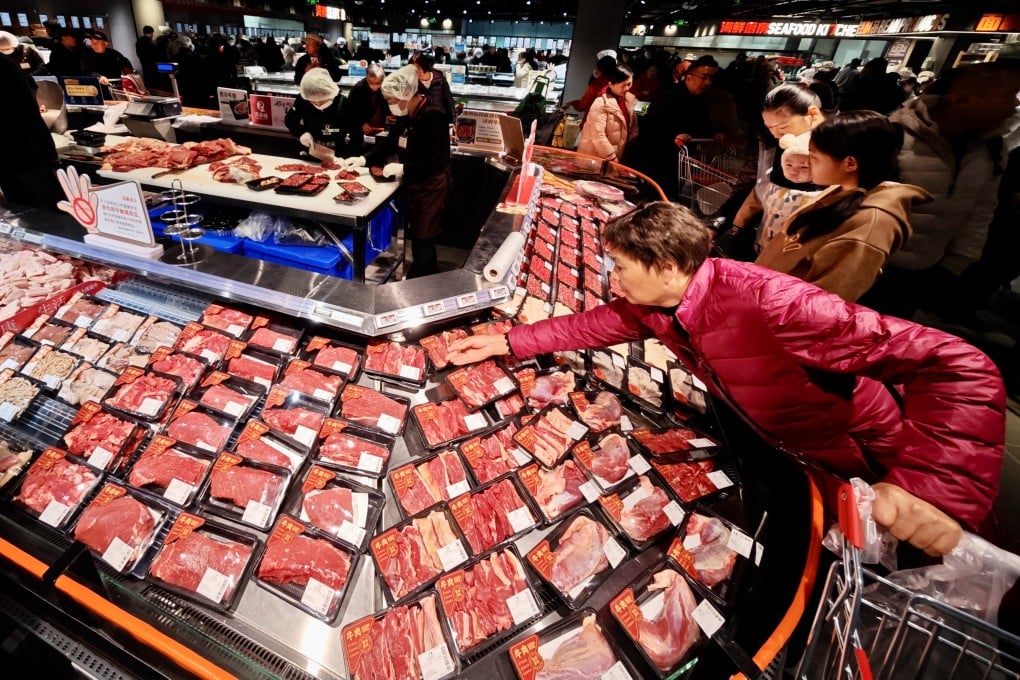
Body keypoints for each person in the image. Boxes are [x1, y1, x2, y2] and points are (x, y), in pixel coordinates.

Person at [447, 200, 1006, 556]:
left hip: (867, 454)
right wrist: (507, 341)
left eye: (620, 267)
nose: (612, 279)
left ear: (667, 267)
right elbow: (598, 324)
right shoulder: (659, 302)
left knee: (908, 558)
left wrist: (929, 485)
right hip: (792, 452)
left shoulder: (778, 304)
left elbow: (956, 362)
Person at [860, 61, 1020, 319]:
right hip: (867, 265)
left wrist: (955, 265)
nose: (1014, 104)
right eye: (1009, 94)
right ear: (965, 99)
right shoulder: (892, 134)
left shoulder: (992, 149)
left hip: (928, 271)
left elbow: (980, 211)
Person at [755, 111, 930, 302]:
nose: (809, 163)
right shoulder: (839, 191)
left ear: (849, 163)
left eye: (815, 157)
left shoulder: (872, 224)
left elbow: (823, 304)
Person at [341, 65, 451, 279]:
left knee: (424, 238)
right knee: (417, 235)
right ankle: (423, 272)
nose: (389, 105)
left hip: (432, 187)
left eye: (391, 100)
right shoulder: (407, 115)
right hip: (414, 182)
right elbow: (390, 143)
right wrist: (364, 158)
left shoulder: (434, 117)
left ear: (406, 94)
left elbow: (438, 161)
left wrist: (404, 168)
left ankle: (423, 280)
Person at [723, 84, 828, 256]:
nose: (776, 135)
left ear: (812, 114)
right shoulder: (769, 143)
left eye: (783, 127)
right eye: (770, 127)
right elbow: (749, 182)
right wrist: (722, 222)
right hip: (763, 236)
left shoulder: (836, 146)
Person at [634, 55, 723, 200]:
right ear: (689, 77)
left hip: (680, 161)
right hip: (657, 160)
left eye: (711, 78)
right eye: (704, 77)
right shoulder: (670, 96)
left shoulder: (702, 99)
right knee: (655, 198)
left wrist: (714, 133)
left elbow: (703, 123)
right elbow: (650, 125)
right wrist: (675, 134)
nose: (707, 82)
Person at [0, 55, 63, 209]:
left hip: (25, 154)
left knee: (46, 212)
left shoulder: (3, 65)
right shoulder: (5, 63)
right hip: (20, 154)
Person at [285, 68, 362, 160]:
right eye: (313, 102)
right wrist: (301, 133)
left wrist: (347, 157)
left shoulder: (345, 104)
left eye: (322, 101)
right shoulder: (304, 99)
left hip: (338, 155)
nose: (318, 104)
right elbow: (290, 120)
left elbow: (357, 136)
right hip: (311, 152)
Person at [576, 65, 637, 163]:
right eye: (623, 85)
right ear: (611, 84)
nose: (627, 88)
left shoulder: (628, 100)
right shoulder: (601, 103)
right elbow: (597, 135)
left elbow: (632, 127)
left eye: (629, 84)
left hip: (614, 160)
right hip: (595, 160)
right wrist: (612, 158)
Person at [564, 53, 616, 118]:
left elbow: (582, 106)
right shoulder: (615, 86)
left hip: (592, 122)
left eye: (597, 68)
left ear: (602, 70)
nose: (595, 71)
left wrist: (571, 103)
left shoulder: (596, 85)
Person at [411, 52, 456, 124]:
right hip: (420, 124)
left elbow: (449, 101)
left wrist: (453, 122)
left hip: (440, 123)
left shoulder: (440, 79)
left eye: (418, 68)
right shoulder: (412, 83)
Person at [346, 63, 387, 137]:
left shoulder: (385, 86)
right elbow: (350, 111)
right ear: (367, 78)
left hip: (380, 126)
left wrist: (388, 114)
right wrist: (361, 123)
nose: (375, 86)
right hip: (362, 129)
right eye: (371, 83)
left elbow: (385, 104)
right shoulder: (358, 89)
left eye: (378, 83)